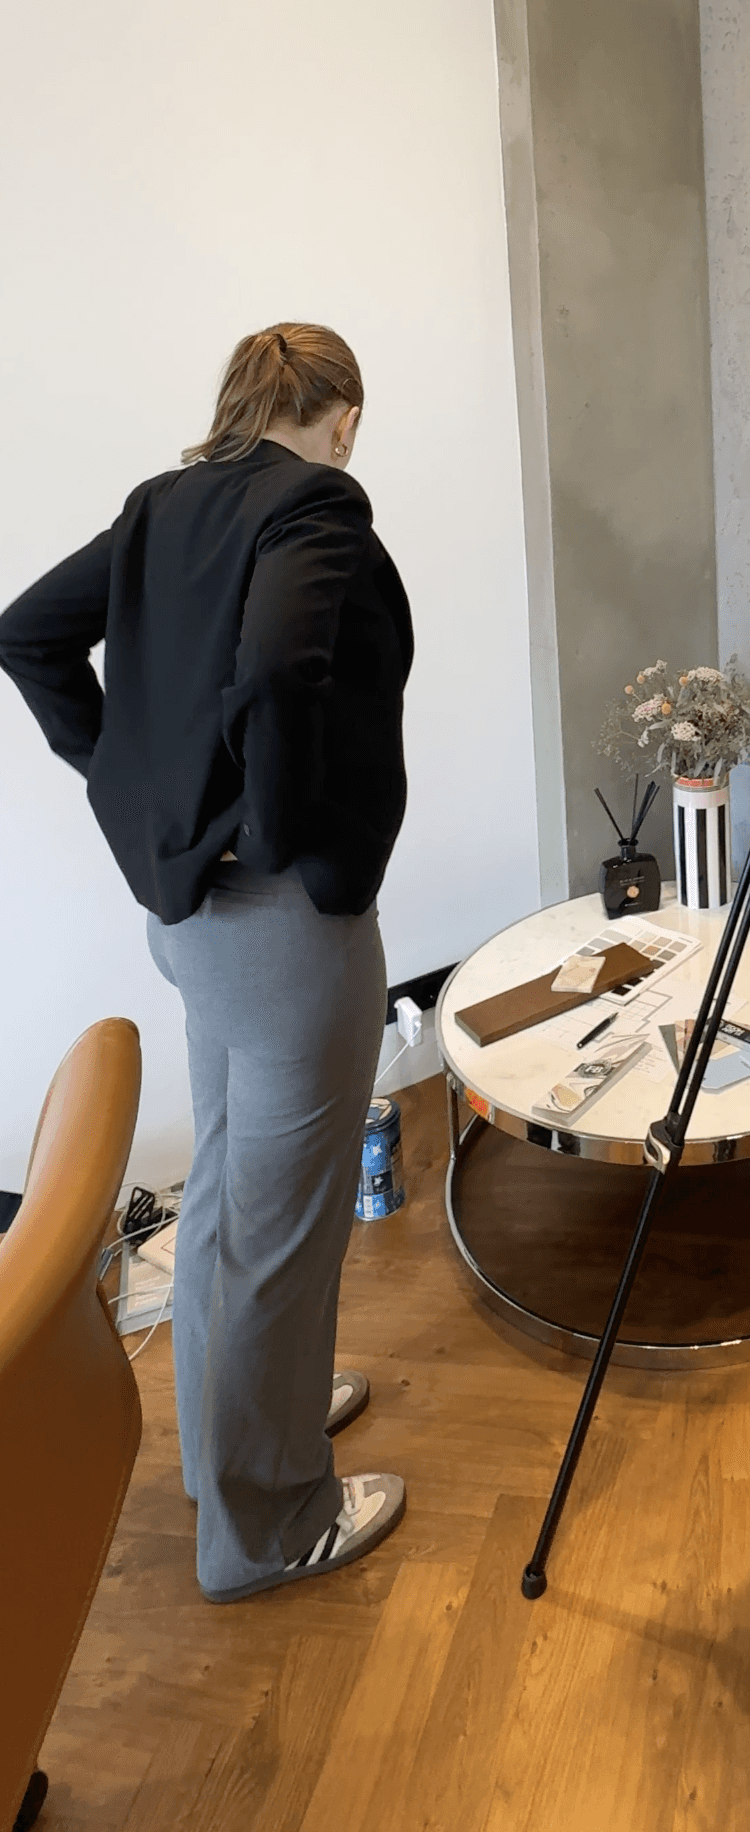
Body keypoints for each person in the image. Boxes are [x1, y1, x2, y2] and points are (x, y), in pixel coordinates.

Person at [0, 325, 414, 1603]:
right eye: (355, 418)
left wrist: (134, 787)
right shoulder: (318, 499)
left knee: (230, 1193)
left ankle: (233, 1436)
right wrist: (275, 830)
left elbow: (26, 634)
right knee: (281, 1230)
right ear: (337, 413)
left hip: (190, 918)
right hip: (282, 925)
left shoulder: (161, 503)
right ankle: (267, 1524)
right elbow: (284, 667)